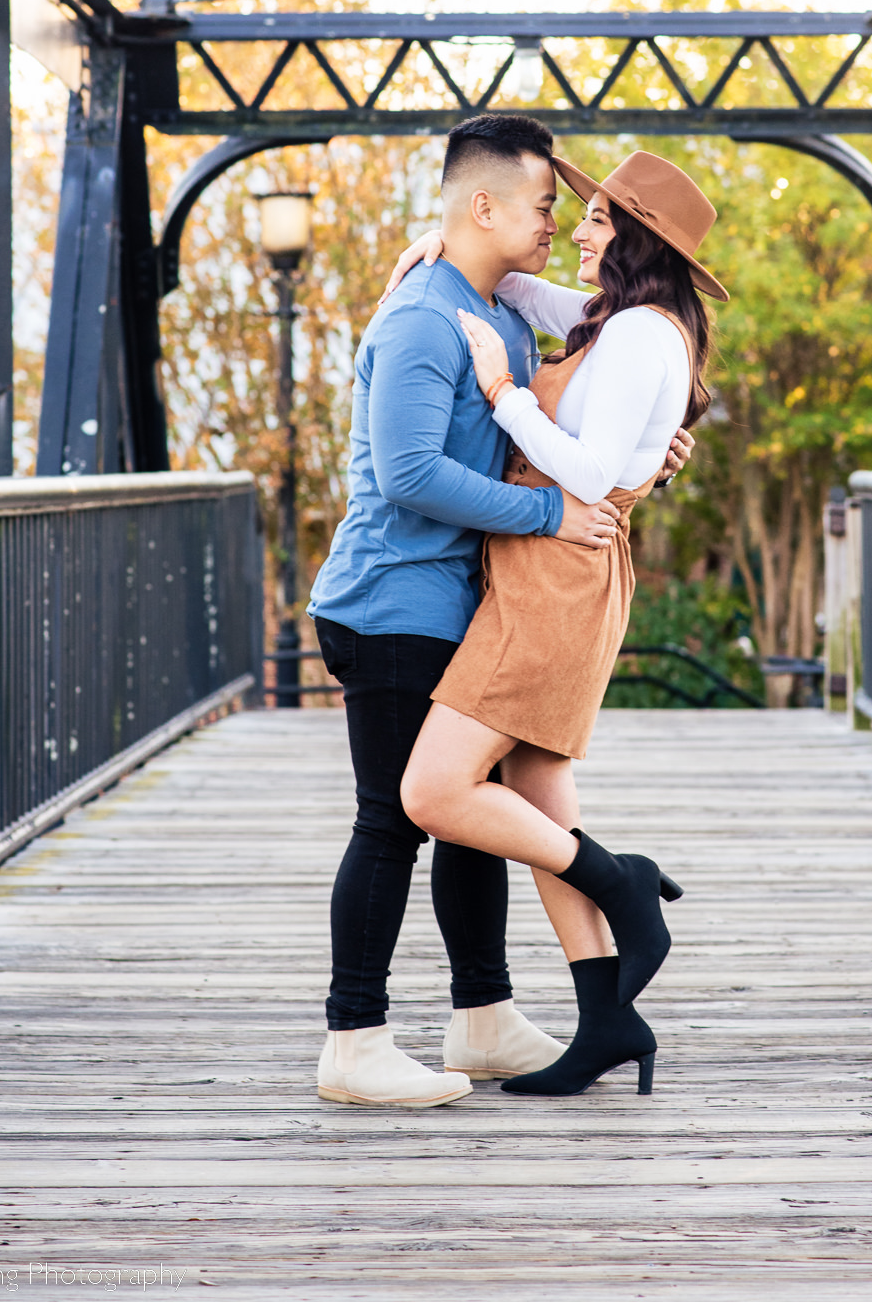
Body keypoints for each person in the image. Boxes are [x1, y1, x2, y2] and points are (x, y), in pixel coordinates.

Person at [307, 117, 692, 1108]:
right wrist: (549, 514)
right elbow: (405, 475)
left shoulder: (498, 315)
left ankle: (482, 1019)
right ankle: (353, 1040)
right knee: (393, 823)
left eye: (576, 212)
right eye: (543, 205)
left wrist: (645, 457)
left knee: (473, 827)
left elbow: (577, 412)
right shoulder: (423, 322)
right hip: (391, 598)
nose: (556, 223)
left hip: (457, 597)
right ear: (484, 205)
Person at [394, 148, 728, 1098]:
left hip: (555, 579)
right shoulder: (620, 324)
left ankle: (625, 885)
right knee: (539, 803)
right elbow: (535, 300)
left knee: (432, 791)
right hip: (547, 571)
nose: (576, 229)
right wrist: (451, 248)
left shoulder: (639, 339)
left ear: (634, 239)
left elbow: (585, 476)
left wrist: (501, 392)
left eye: (594, 220)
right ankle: (607, 1020)